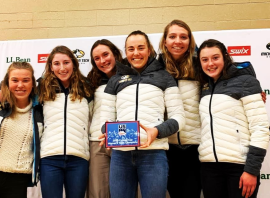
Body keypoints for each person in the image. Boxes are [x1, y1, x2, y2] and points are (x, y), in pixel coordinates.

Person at [99, 30, 185, 198]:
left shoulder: (165, 77)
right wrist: (107, 131)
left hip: (153, 154)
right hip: (120, 156)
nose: (136, 53)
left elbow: (179, 118)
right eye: (131, 49)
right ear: (126, 52)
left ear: (149, 50)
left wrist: (157, 131)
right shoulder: (115, 80)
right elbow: (105, 120)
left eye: (141, 48)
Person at [194, 39, 270, 198]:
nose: (210, 64)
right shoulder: (204, 87)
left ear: (225, 57)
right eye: (205, 59)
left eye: (215, 58)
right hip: (209, 168)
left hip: (239, 167)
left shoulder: (246, 82)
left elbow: (260, 128)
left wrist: (251, 170)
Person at [0, 62, 43, 198]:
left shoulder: (40, 112)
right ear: (7, 82)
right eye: (15, 80)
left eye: (26, 80)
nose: (20, 85)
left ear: (33, 84)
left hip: (17, 180)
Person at [38, 45, 93, 198]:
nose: (62, 68)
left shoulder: (86, 88)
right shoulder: (41, 87)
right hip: (50, 159)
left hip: (78, 158)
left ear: (74, 64)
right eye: (56, 63)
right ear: (50, 66)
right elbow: (18, 89)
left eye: (66, 62)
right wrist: (4, 89)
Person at [158, 19, 202, 198]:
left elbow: (231, 73)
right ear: (165, 41)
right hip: (166, 147)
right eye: (173, 36)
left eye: (183, 37)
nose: (178, 41)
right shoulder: (155, 68)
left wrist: (252, 89)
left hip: (195, 147)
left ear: (190, 41)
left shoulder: (201, 66)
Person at [87, 39, 123, 198]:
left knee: (126, 190)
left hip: (124, 140)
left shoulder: (130, 76)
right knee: (98, 192)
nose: (102, 61)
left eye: (106, 54)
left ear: (115, 53)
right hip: (98, 140)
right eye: (97, 58)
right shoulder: (91, 81)